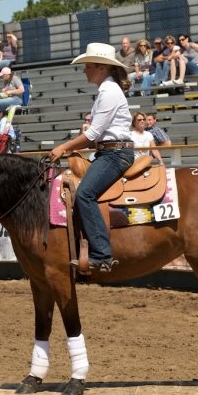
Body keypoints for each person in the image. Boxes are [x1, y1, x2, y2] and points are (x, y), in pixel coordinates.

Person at [49, 42, 134, 272]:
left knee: (84, 194)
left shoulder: (109, 91)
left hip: (115, 154)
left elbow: (94, 134)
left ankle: (102, 254)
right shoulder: (107, 90)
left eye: (88, 66)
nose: (84, 70)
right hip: (110, 152)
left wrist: (63, 147)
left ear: (102, 67)